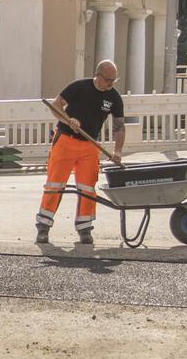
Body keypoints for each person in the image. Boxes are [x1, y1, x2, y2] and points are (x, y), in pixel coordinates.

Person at [38, 60, 125, 246]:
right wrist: (68, 120)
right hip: (65, 141)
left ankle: (84, 229)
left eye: (113, 80)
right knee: (55, 184)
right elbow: (55, 105)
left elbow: (119, 127)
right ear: (98, 75)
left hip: (90, 145)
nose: (110, 84)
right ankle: (43, 227)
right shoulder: (79, 87)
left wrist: (117, 151)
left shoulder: (114, 98)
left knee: (87, 188)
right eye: (107, 79)